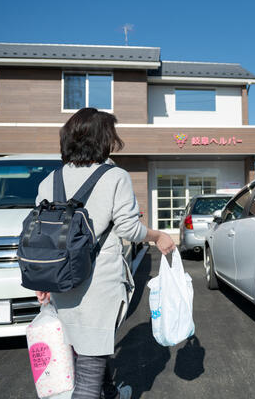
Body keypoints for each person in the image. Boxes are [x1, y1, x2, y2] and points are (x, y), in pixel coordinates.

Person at [34, 107, 175, 399]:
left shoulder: (49, 181)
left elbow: (43, 237)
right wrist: (158, 235)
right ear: (103, 139)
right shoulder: (114, 177)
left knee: (83, 351)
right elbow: (129, 229)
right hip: (97, 285)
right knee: (88, 367)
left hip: (60, 282)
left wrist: (43, 283)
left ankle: (110, 393)